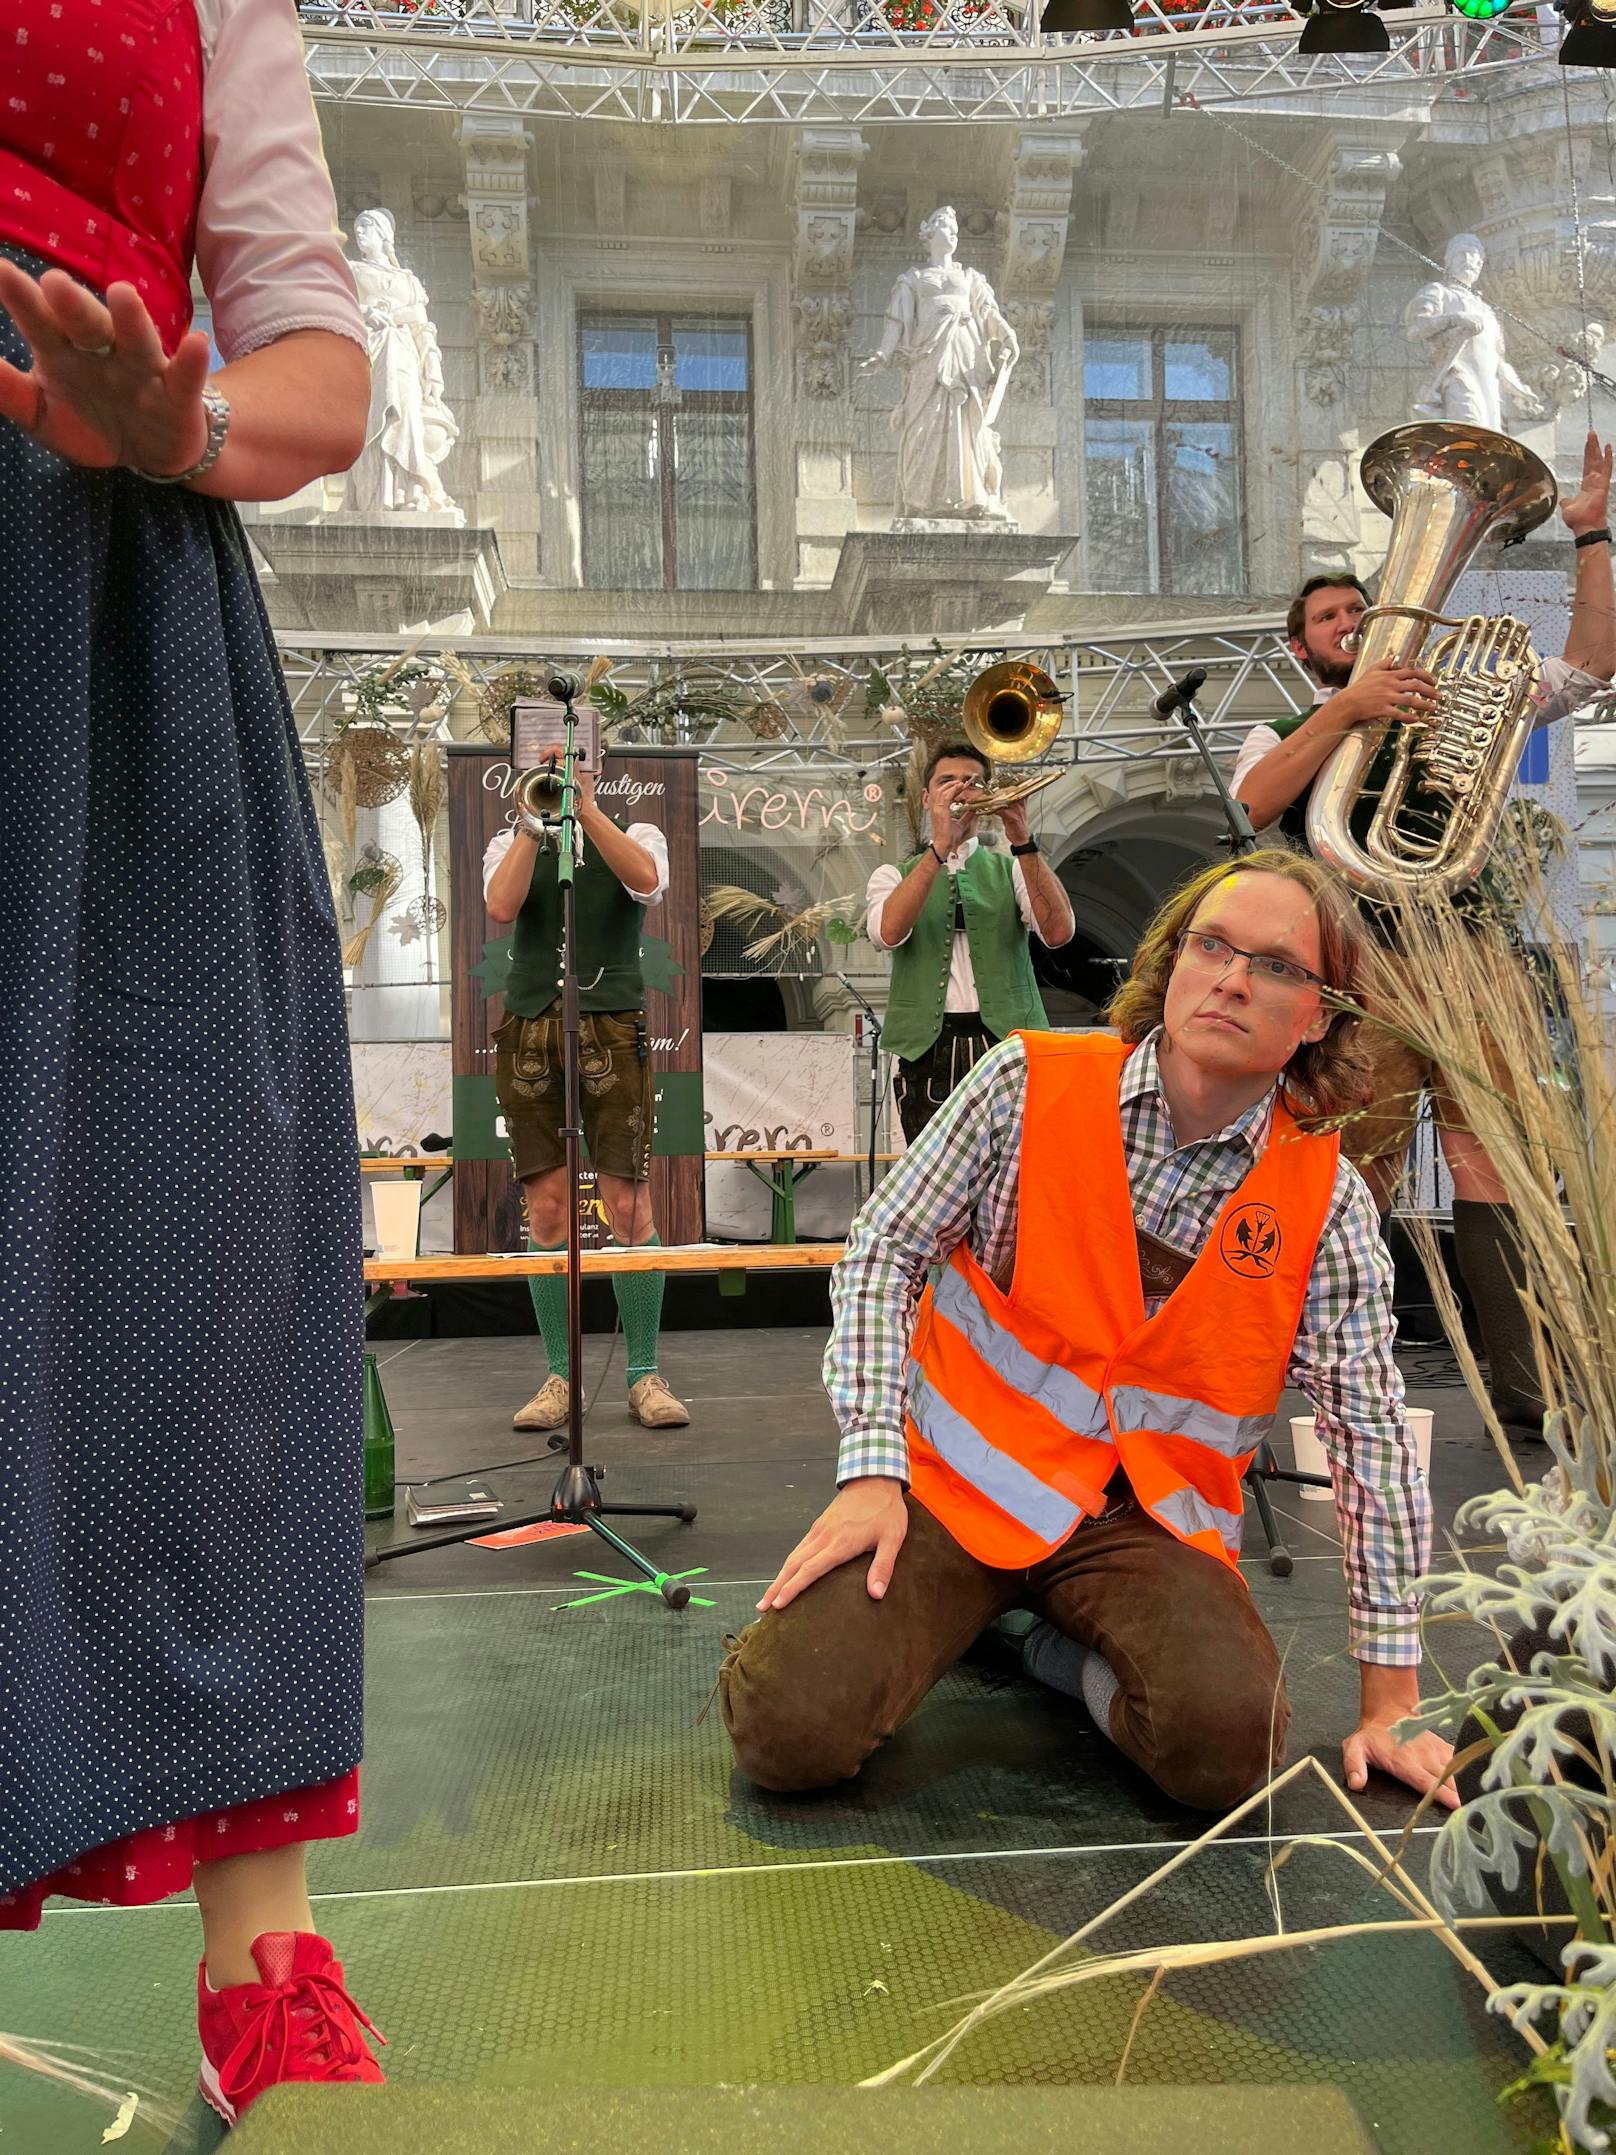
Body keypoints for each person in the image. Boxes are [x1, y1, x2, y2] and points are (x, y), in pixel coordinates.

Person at [0, 0, 383, 2124]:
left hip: (89, 581)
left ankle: (270, 1950)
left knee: (197, 1236)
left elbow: (318, 370)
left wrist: (171, 425)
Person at [720, 853, 1457, 1819]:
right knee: (788, 1731)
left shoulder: (1326, 1204)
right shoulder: (1029, 1082)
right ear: (1174, 962)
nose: (1234, 978)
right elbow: (882, 1252)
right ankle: (951, 1618)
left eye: (1277, 966)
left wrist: (1390, 1698)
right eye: (1214, 946)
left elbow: (1369, 1432)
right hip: (958, 1487)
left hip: (1146, 1522)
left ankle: (1036, 1649)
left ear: (1319, 1016)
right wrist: (870, 1471)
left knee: (1228, 1752)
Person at [1232, 432, 1616, 1441]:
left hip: (1468, 953)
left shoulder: (1450, 698)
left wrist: (1589, 537)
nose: (1348, 621)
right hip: (1360, 968)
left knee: (1495, 1158)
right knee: (1355, 1168)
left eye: (1355, 608)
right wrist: (1348, 711)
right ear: (1298, 646)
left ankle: (1528, 1390)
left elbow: (1589, 662)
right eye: (1326, 618)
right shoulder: (1282, 729)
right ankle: (1321, 1369)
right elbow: (1255, 802)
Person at [484, 755, 690, 1431]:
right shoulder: (510, 835)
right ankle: (559, 1377)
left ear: (595, 762)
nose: (562, 771)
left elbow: (648, 881)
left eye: (574, 760)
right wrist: (531, 825)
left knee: (627, 1198)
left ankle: (643, 1373)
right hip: (531, 1025)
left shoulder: (642, 831)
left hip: (611, 1022)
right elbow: (500, 904)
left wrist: (589, 810)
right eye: (548, 765)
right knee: (546, 1203)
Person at [868, 738, 1075, 1145]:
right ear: (927, 799)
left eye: (972, 781)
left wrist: (1022, 838)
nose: (961, 790)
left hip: (1007, 1044)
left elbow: (1058, 932)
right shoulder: (892, 875)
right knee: (933, 1182)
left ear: (989, 794)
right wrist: (941, 847)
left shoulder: (1012, 867)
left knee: (1014, 1173)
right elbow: (888, 932)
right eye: (948, 782)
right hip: (928, 1049)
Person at [859, 206, 1019, 524]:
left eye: (957, 227)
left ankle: (972, 497)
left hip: (966, 357)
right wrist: (883, 354)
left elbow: (988, 312)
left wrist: (1008, 334)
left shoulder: (971, 278)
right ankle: (925, 500)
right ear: (929, 234)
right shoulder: (914, 279)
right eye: (947, 226)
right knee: (923, 427)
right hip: (926, 362)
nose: (954, 232)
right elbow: (895, 320)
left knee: (968, 426)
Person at [1405, 234, 1542, 435]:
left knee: (1490, 439)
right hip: (1458, 377)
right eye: (1462, 255)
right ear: (1449, 261)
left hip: (1490, 387)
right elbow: (1416, 328)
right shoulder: (1439, 292)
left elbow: (1499, 361)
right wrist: (1455, 318)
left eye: (1475, 257)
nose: (1469, 261)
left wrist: (1518, 390)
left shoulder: (1486, 310)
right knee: (1469, 433)